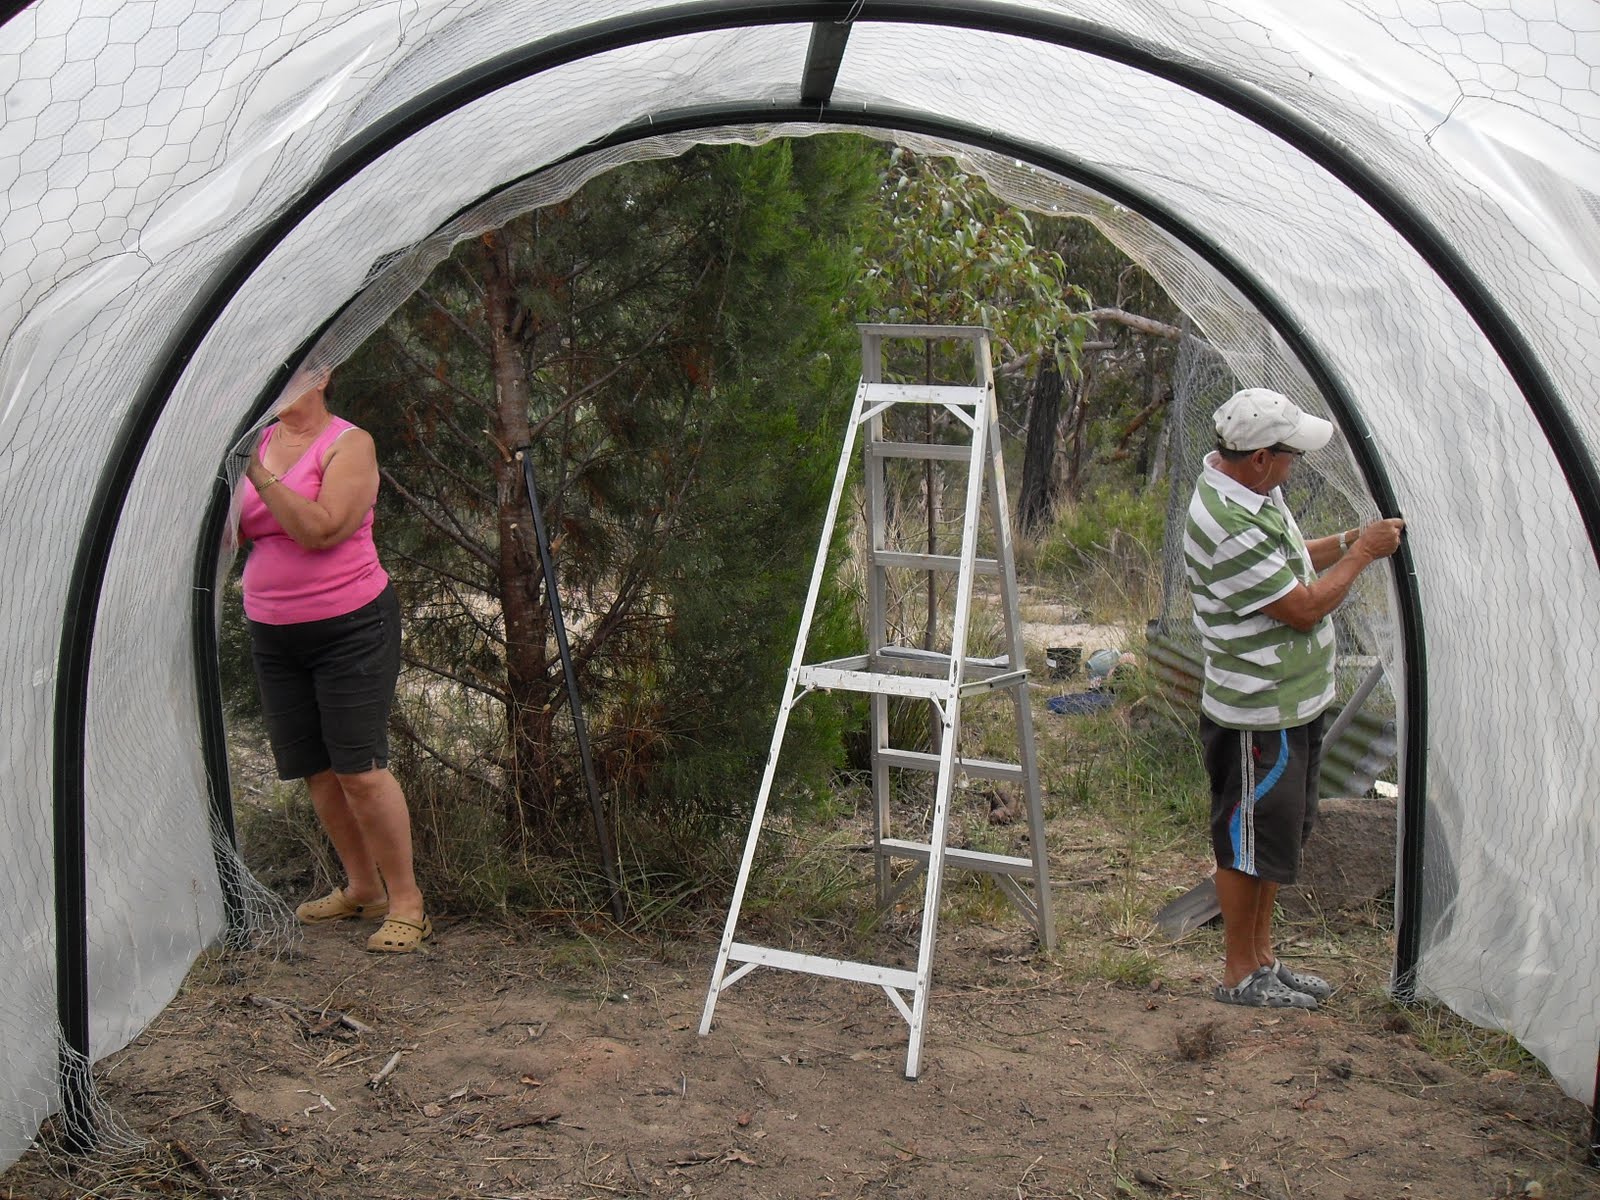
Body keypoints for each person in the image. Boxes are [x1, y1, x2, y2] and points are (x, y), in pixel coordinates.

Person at [1184, 388, 1403, 1008]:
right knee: (1247, 839)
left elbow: (1287, 564)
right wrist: (1363, 554)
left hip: (1291, 702)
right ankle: (1238, 974)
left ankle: (1263, 960)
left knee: (1277, 835)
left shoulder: (1252, 492)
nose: (1294, 466)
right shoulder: (1226, 524)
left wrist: (1346, 539)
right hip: (1258, 710)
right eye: (1290, 455)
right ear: (1259, 457)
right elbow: (1303, 607)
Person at [238, 369, 430, 953]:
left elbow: (320, 530)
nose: (275, 382)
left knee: (360, 770)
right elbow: (230, 533)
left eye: (291, 370)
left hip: (351, 625)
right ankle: (362, 888)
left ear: (322, 376)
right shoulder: (261, 441)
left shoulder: (349, 443)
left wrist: (254, 471)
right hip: (274, 632)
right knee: (317, 770)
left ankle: (408, 904)